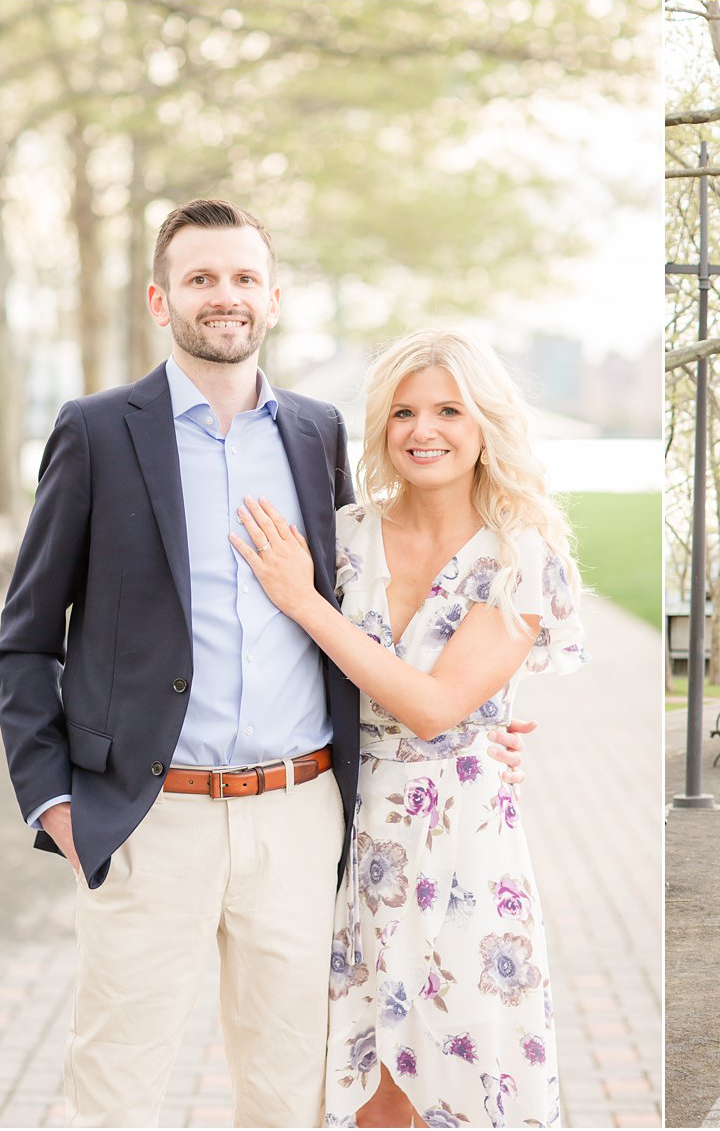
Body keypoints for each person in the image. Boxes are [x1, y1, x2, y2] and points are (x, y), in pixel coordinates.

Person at [0, 199, 524, 1126]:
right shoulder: (96, 431)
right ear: (162, 300)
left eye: (243, 278)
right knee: (113, 1090)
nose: (224, 296)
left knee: (292, 1096)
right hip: (150, 817)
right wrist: (56, 804)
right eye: (201, 278)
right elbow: (27, 638)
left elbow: (374, 617)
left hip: (301, 816)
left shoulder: (318, 437)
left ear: (272, 300)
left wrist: (481, 719)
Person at [231, 327, 586, 1128]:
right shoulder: (345, 536)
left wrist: (305, 600)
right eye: (403, 412)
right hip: (346, 830)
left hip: (463, 844)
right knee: (372, 1080)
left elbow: (433, 706)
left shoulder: (520, 556)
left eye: (449, 410)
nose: (423, 430)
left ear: (485, 423)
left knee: (460, 1061)